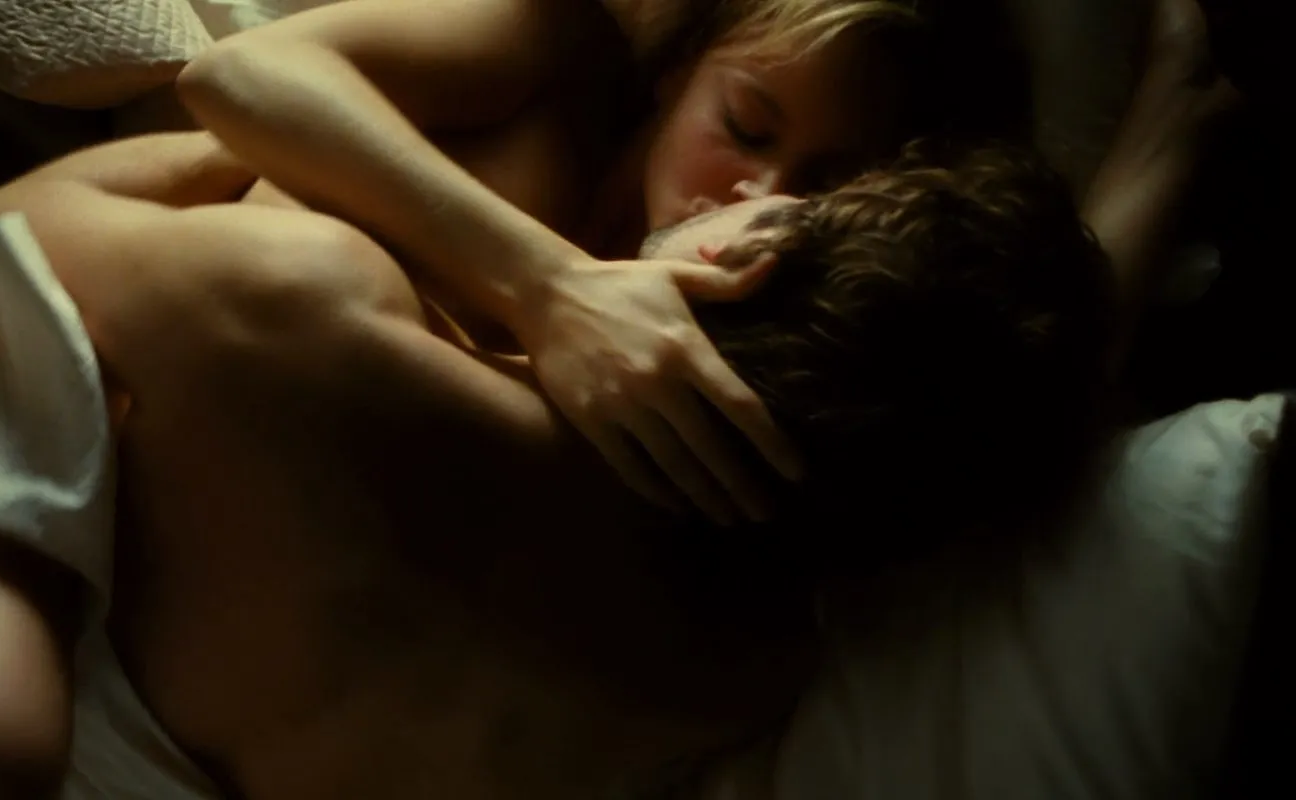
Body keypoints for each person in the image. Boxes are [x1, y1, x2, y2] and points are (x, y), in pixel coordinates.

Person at [0, 129, 1111, 799]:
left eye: (790, 197)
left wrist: (500, 271)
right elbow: (972, 394)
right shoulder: (742, 674)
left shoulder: (318, 313)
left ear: (746, 258)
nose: (743, 189)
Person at [176, 0, 1034, 525]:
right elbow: (240, 73)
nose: (758, 192)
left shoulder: (760, 343)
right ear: (682, 71)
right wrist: (547, 287)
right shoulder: (550, 56)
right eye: (744, 126)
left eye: (823, 186)